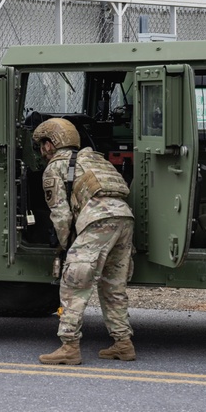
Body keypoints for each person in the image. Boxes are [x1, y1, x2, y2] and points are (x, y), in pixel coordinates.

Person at [33, 118, 136, 365]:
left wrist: (65, 245)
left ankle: (69, 346)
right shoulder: (94, 160)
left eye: (42, 145)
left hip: (97, 221)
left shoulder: (55, 167)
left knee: (74, 283)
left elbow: (60, 214)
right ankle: (123, 343)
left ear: (50, 144)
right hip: (124, 220)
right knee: (113, 286)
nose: (41, 150)